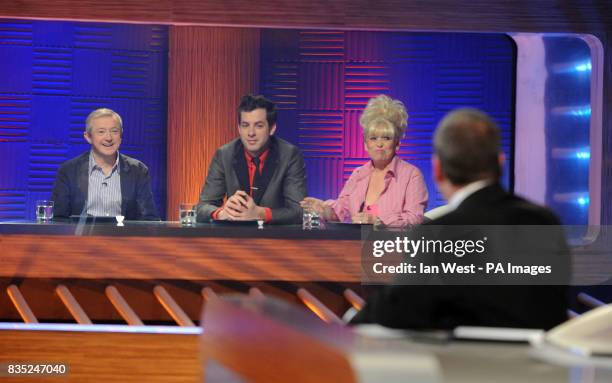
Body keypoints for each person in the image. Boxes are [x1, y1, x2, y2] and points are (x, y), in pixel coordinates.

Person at [352, 108, 570, 330]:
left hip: (469, 362)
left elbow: (396, 310)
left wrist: (352, 319)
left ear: (437, 170)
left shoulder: (438, 234)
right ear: (500, 163)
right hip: (539, 361)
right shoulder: (545, 221)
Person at [301, 95, 428, 227]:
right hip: (358, 244)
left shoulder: (412, 175)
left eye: (386, 138)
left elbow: (414, 219)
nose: (379, 144)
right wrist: (324, 210)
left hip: (393, 245)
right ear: (365, 145)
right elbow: (341, 212)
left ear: (397, 144)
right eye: (373, 138)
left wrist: (379, 222)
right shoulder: (358, 174)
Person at [196, 94, 307, 224]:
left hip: (275, 239)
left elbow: (299, 211)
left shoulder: (290, 155)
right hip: (234, 239)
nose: (251, 133)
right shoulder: (224, 155)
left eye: (258, 126)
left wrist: (261, 214)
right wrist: (222, 213)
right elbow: (201, 208)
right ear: (238, 128)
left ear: (272, 129)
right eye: (245, 125)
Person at [51, 108, 159, 220]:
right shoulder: (68, 171)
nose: (108, 138)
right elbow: (59, 218)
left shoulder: (138, 171)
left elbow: (149, 219)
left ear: (121, 135)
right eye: (101, 131)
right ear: (88, 137)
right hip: (82, 237)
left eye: (114, 131)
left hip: (124, 237)